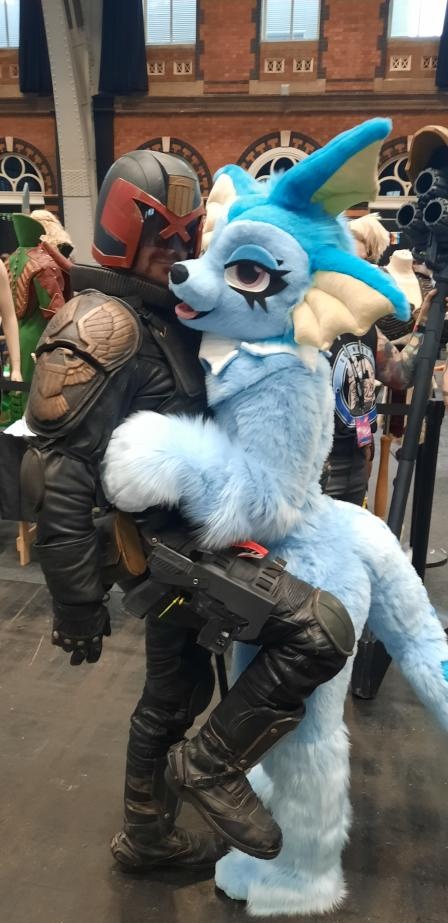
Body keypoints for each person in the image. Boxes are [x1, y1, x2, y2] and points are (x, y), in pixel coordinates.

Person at [20, 150, 354, 872]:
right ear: (121, 227)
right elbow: (58, 473)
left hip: (200, 527)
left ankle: (147, 833)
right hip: (159, 548)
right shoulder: (101, 322)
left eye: (184, 233)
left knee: (178, 690)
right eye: (158, 233)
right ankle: (208, 767)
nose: (173, 250)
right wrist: (76, 600)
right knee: (318, 631)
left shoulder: (170, 313)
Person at [322, 214, 434, 505]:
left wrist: (424, 323)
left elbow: (401, 374)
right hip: (317, 463)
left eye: (365, 265)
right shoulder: (307, 321)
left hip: (357, 455)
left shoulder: (367, 328)